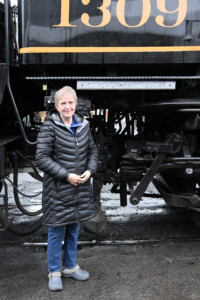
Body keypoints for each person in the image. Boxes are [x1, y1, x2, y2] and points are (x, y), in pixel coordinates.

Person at [36, 86, 98, 291]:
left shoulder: (83, 125)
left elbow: (93, 151)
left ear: (75, 104)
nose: (67, 106)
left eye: (70, 102)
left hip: (79, 188)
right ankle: (54, 271)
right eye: (63, 103)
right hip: (58, 189)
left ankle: (70, 267)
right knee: (56, 230)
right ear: (56, 106)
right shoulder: (50, 127)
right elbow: (42, 158)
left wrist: (90, 170)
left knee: (74, 227)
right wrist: (66, 175)